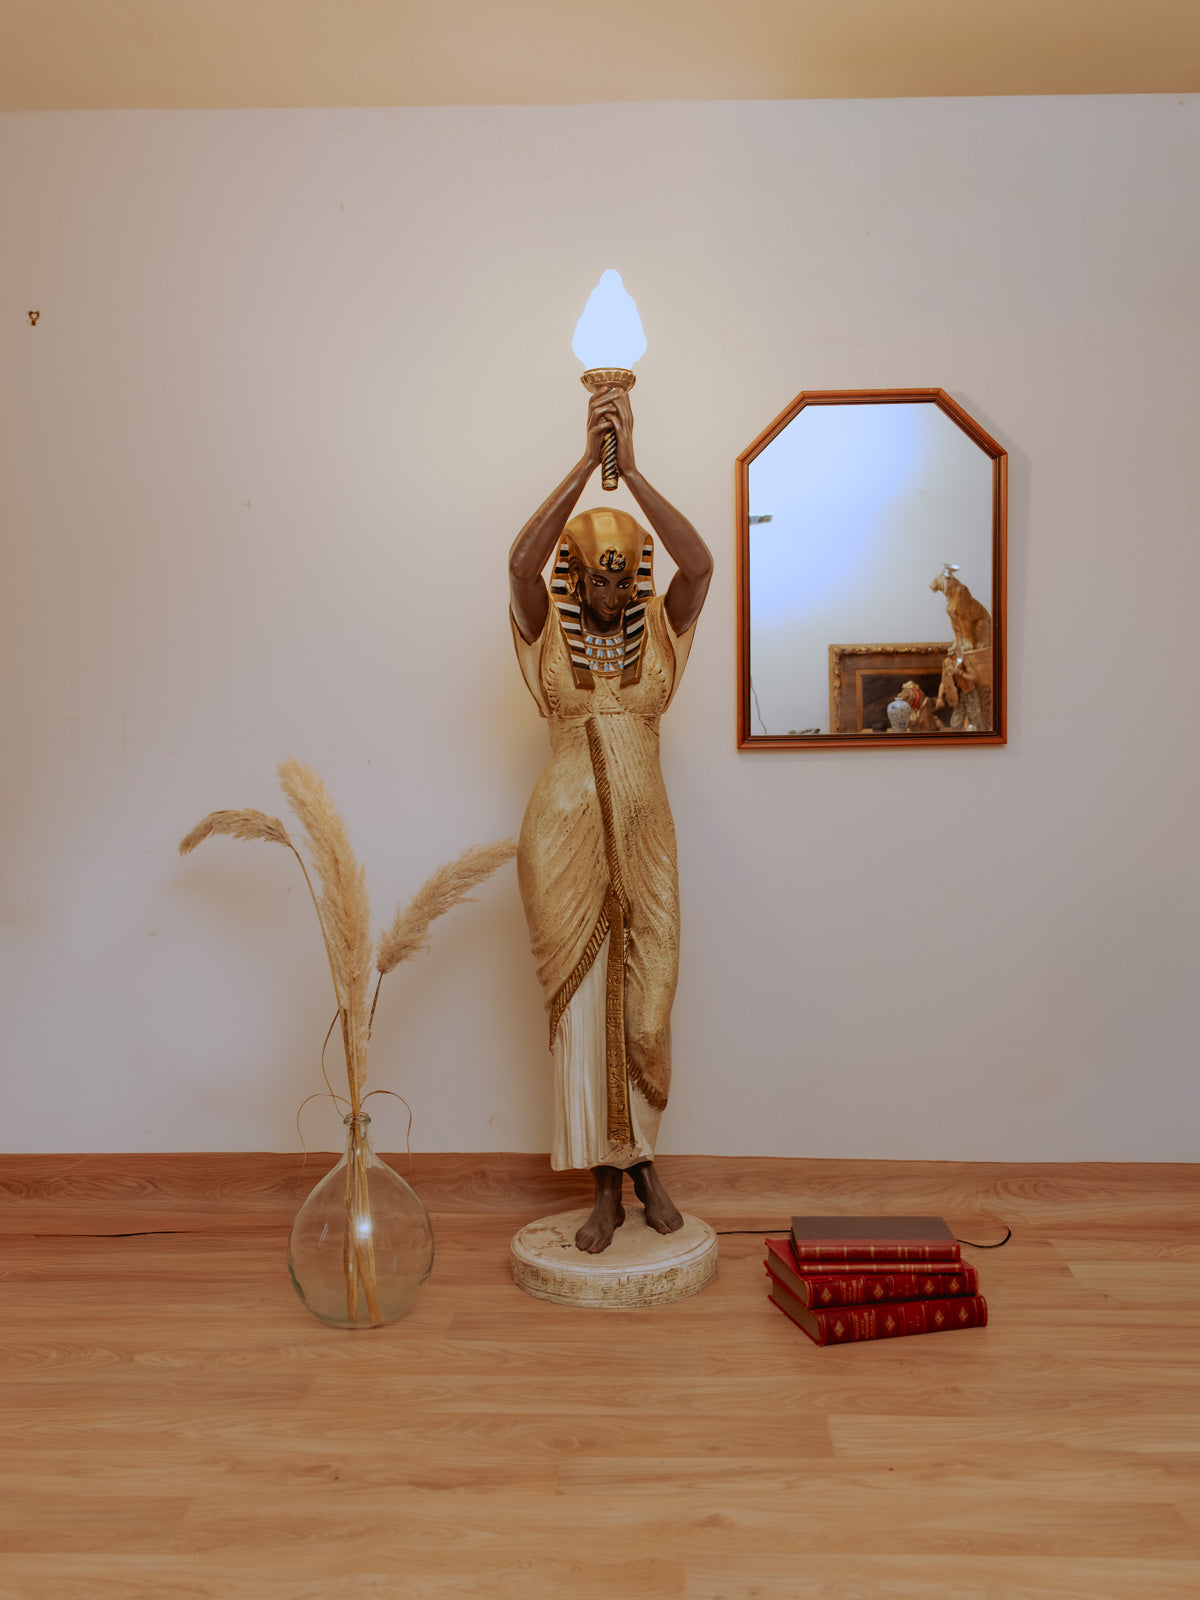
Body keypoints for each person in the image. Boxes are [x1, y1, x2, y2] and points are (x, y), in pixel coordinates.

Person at [509, 386, 712, 1253]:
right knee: (586, 1013)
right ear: (575, 574)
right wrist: (581, 465)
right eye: (597, 573)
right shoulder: (545, 631)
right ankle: (611, 1186)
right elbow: (518, 563)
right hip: (562, 839)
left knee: (647, 1010)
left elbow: (700, 565)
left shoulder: (661, 630)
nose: (611, 587)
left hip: (646, 837)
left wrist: (630, 472)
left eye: (624, 575)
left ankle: (644, 1161)